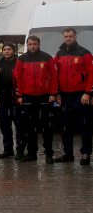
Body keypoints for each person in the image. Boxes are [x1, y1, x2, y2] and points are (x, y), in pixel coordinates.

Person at [14, 36, 58, 163]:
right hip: (28, 96)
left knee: (47, 126)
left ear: (39, 44)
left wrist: (53, 93)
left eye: (35, 44)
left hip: (45, 96)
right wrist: (20, 96)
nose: (32, 46)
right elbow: (19, 78)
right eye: (30, 44)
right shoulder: (21, 59)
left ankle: (49, 153)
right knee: (30, 126)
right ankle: (31, 153)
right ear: (27, 45)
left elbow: (54, 76)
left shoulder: (47, 57)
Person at [53, 27, 93, 164]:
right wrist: (57, 92)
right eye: (66, 36)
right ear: (63, 37)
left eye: (70, 36)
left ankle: (86, 154)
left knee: (84, 125)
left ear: (75, 37)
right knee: (65, 126)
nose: (68, 38)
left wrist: (88, 93)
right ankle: (67, 153)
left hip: (80, 95)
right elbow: (55, 75)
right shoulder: (59, 54)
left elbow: (91, 74)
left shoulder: (84, 53)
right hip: (64, 96)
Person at [0, 44, 20, 159]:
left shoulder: (18, 63)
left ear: (13, 51)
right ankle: (8, 149)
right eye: (4, 49)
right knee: (4, 125)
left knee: (19, 125)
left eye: (9, 49)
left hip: (15, 99)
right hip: (3, 99)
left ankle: (20, 150)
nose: (6, 51)